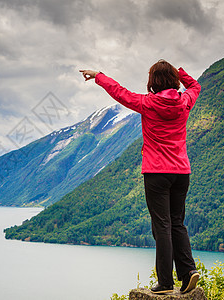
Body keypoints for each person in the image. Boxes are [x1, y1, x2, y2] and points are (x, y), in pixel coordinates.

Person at [79, 60, 201, 294]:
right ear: (173, 80)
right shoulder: (185, 101)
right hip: (182, 172)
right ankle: (188, 272)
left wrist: (98, 76)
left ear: (153, 81)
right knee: (177, 223)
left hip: (157, 172)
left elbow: (120, 92)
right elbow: (195, 86)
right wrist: (181, 73)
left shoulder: (148, 103)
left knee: (162, 226)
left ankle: (165, 282)